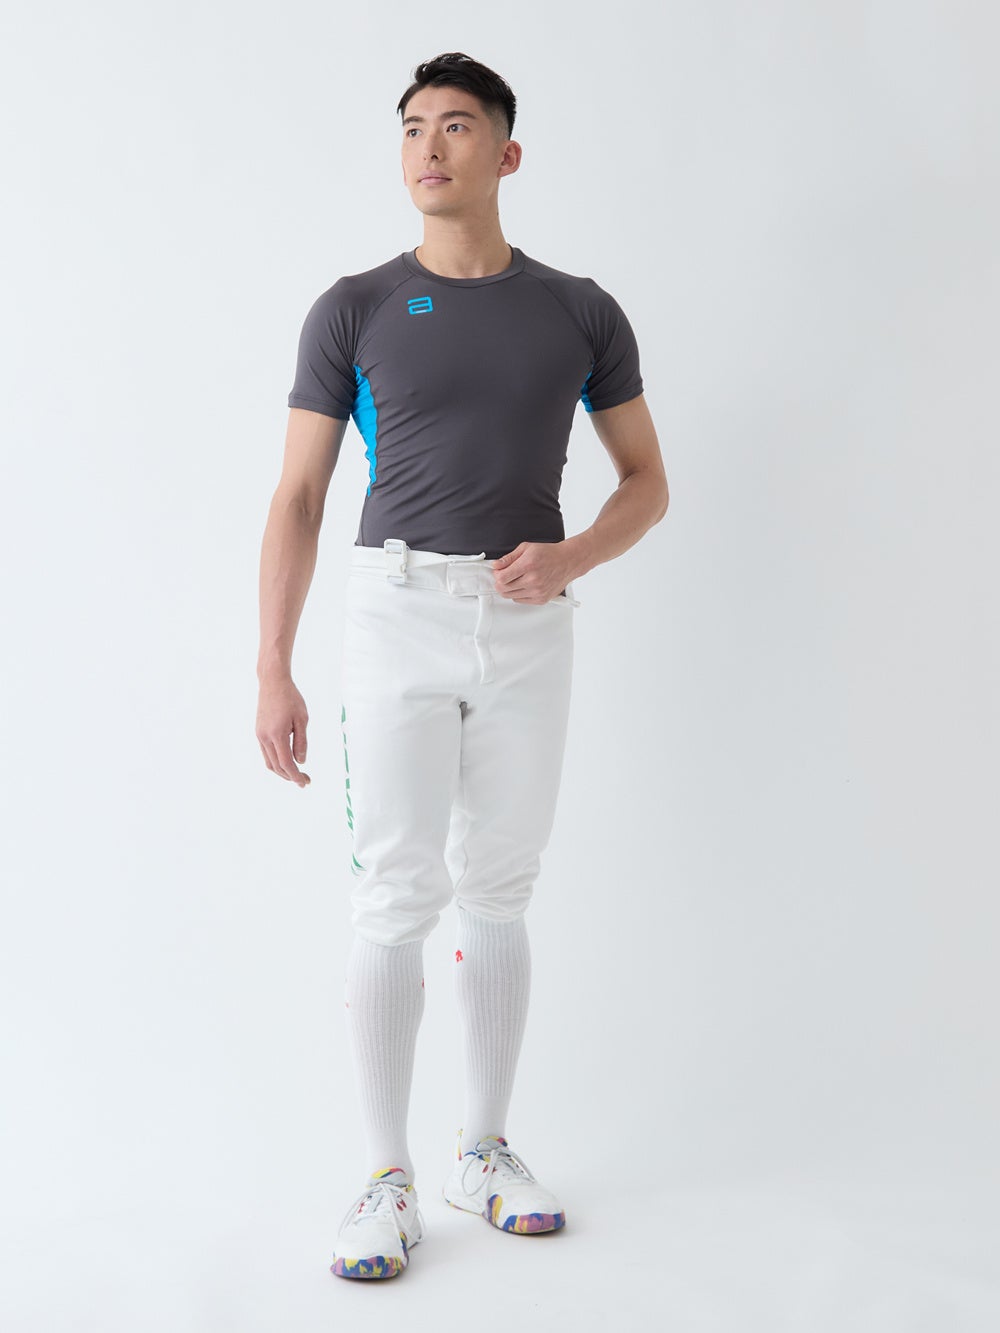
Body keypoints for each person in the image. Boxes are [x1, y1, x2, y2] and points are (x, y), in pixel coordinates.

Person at [256, 51, 669, 1281]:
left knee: (499, 884)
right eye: (411, 128)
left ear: (506, 152)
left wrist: (574, 552)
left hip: (528, 619)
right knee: (394, 889)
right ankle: (384, 1175)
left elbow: (646, 481)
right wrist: (272, 666)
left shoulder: (579, 311)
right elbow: (298, 496)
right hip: (395, 613)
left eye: (455, 126)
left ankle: (480, 1150)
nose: (428, 146)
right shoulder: (355, 307)